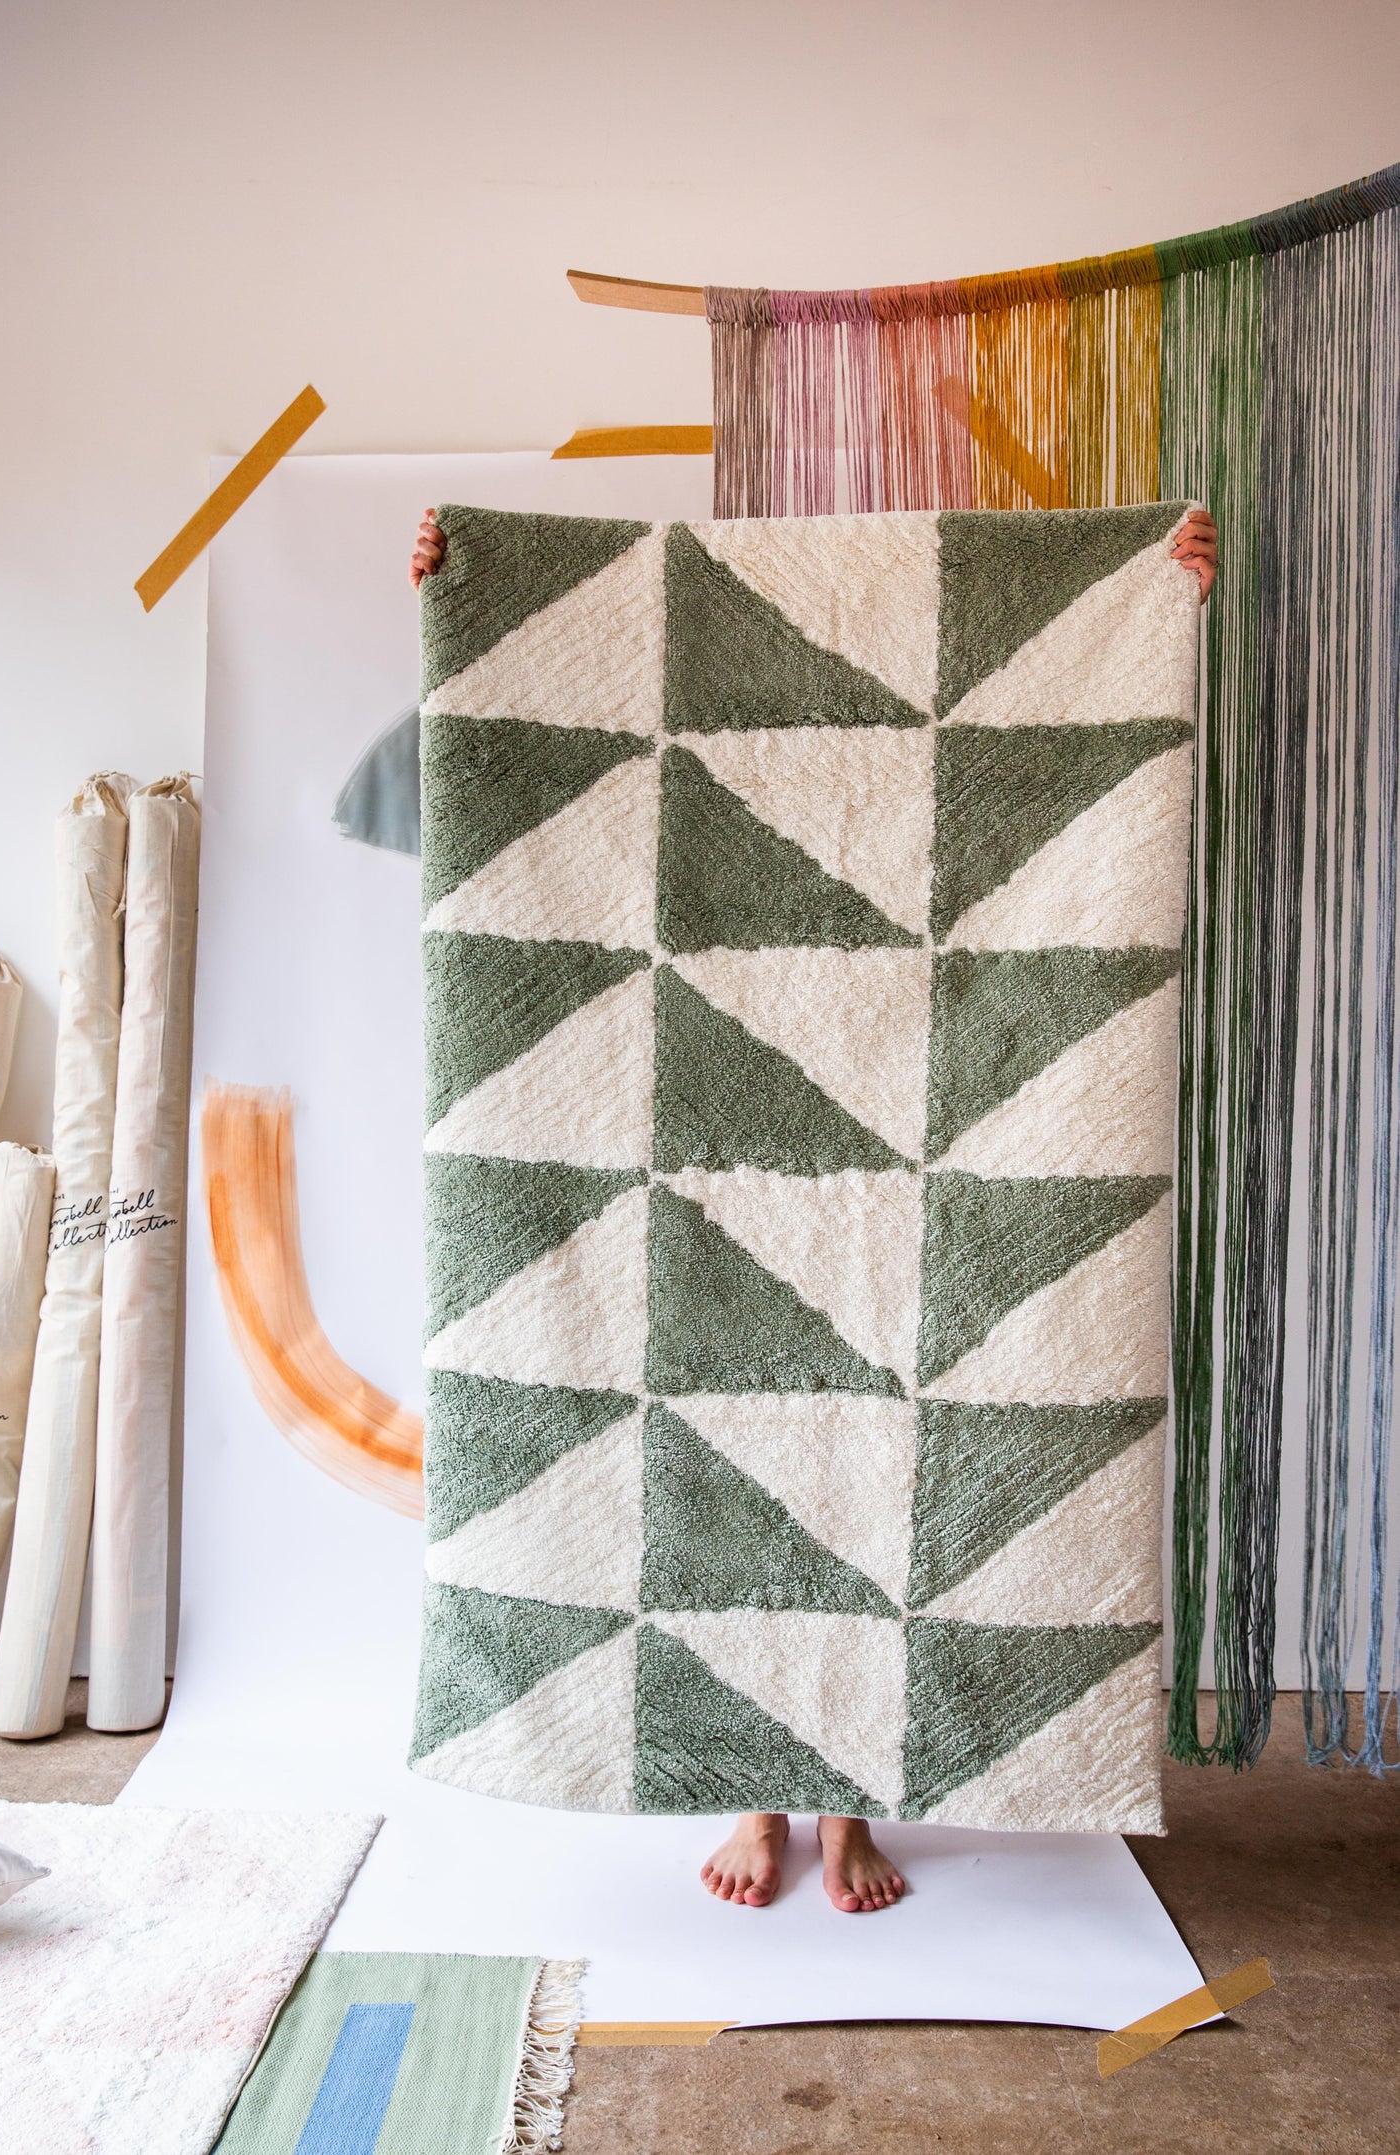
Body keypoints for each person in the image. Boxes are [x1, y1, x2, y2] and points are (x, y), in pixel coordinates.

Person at [409, 499, 1219, 1913]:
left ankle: (846, 1808)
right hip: (716, 1073)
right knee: (720, 1401)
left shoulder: (955, 611)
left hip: (921, 1054)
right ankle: (760, 1791)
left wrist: (1146, 595)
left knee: (869, 1441)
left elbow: (1003, 704)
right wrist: (464, 584)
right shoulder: (701, 638)